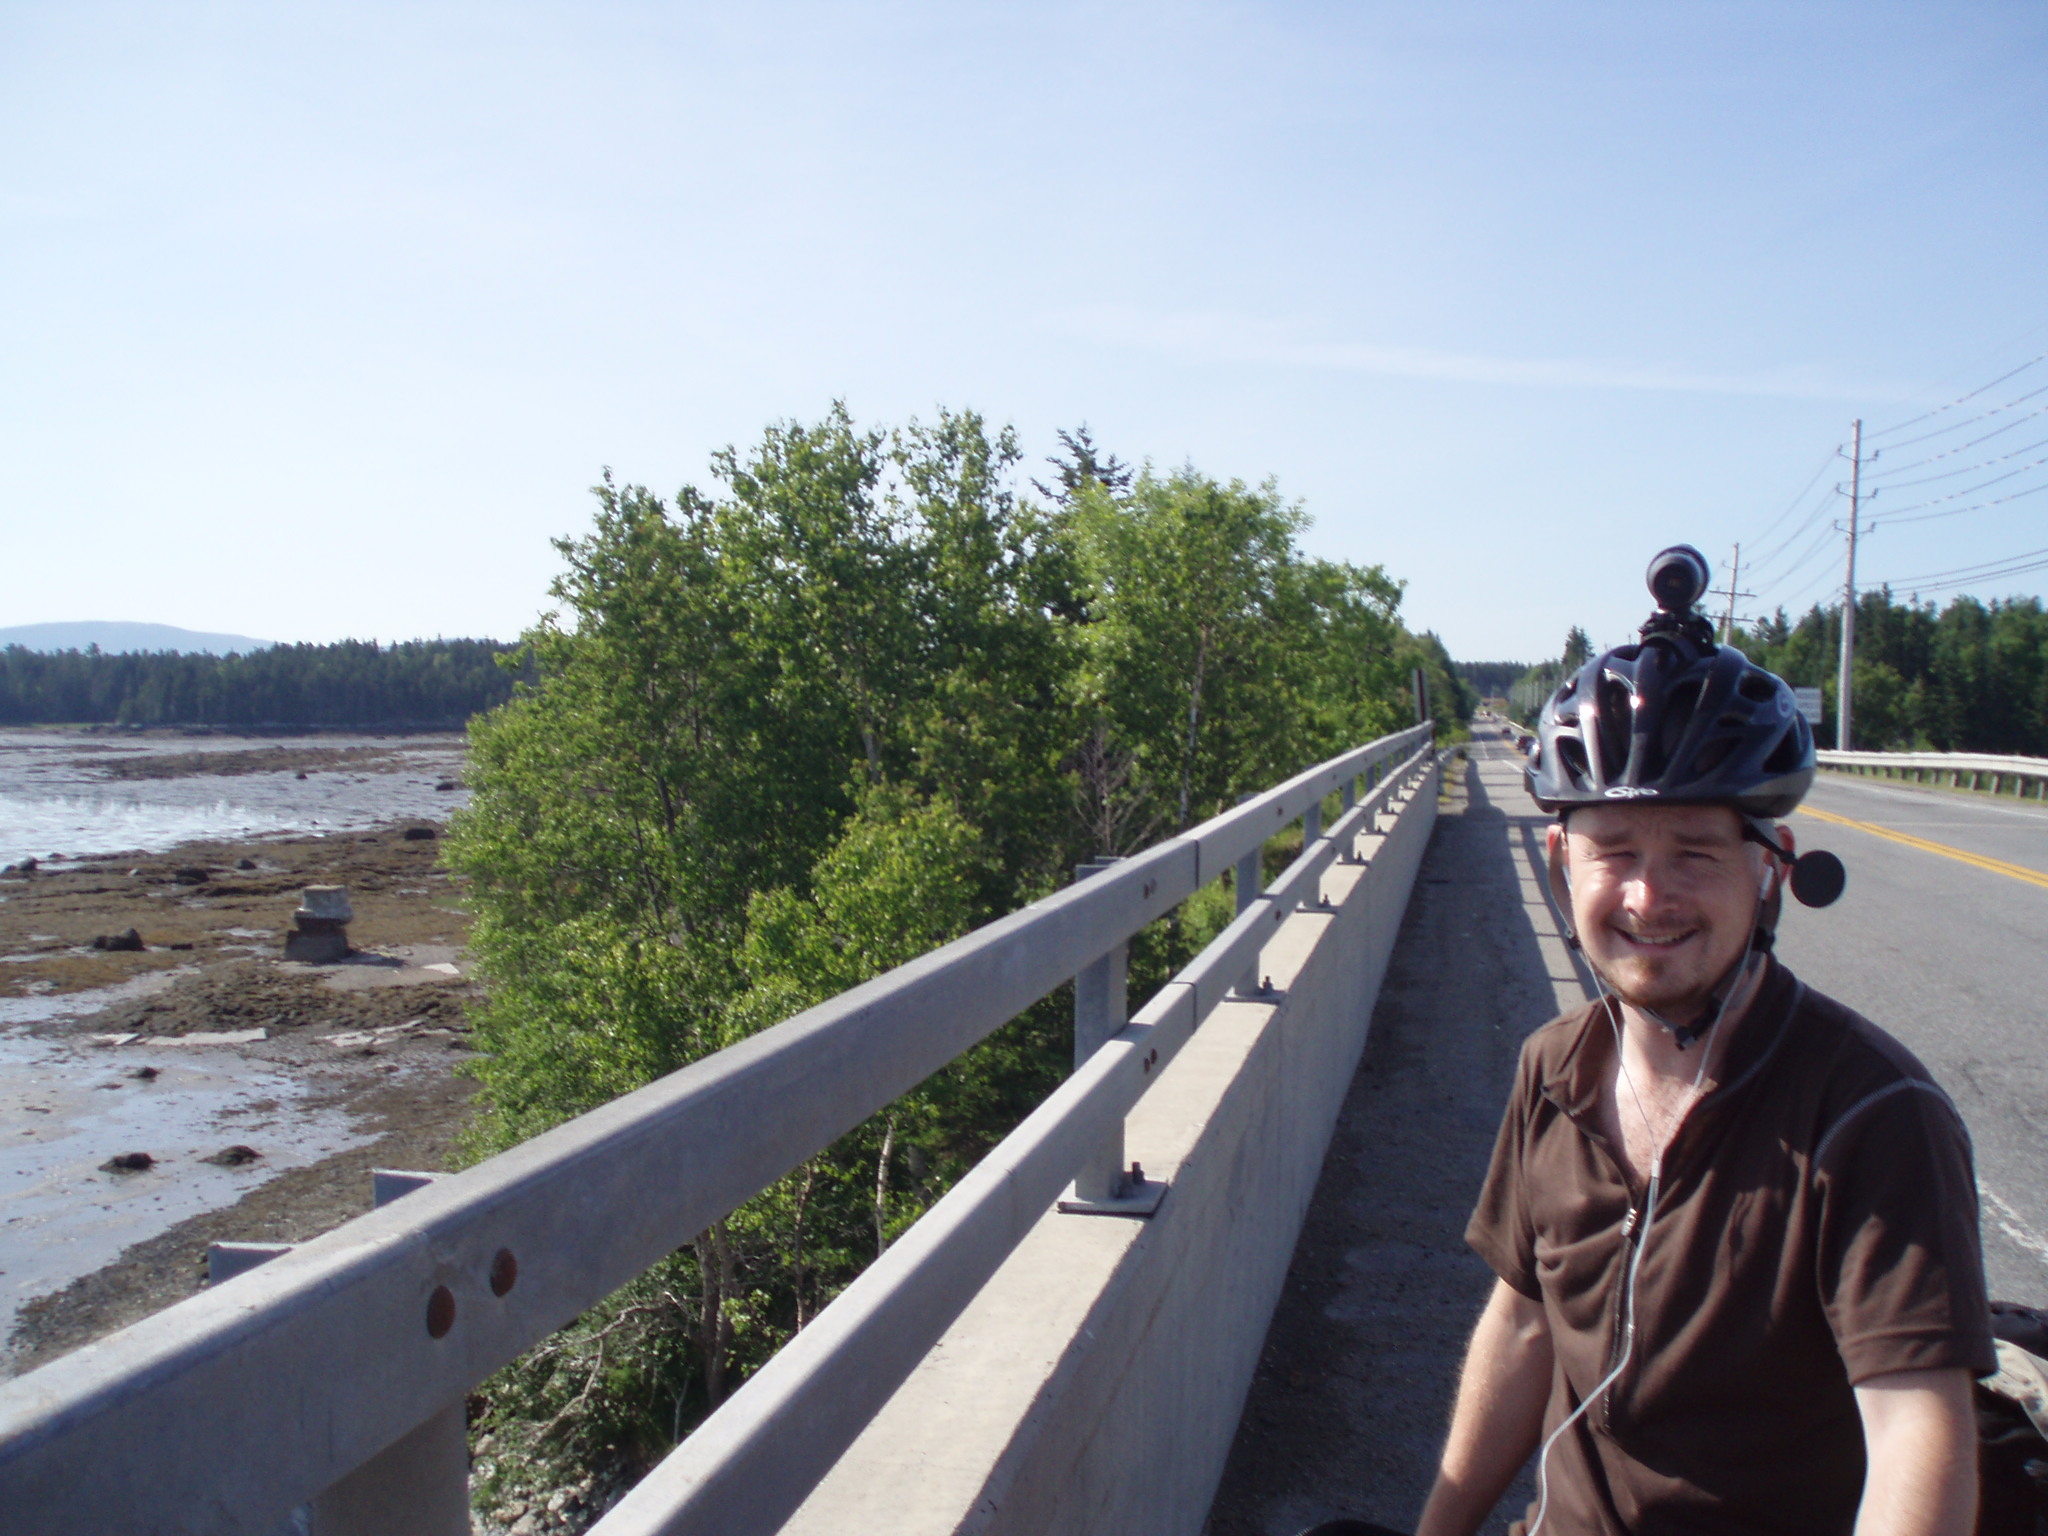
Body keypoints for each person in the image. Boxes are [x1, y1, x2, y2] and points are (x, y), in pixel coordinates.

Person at [1416, 548, 1994, 1536]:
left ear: (1770, 873)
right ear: (1559, 864)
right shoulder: (1552, 1069)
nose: (1649, 897)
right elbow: (1522, 1322)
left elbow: (1913, 1432)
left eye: (1694, 852)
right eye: (1614, 852)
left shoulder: (1868, 1116)